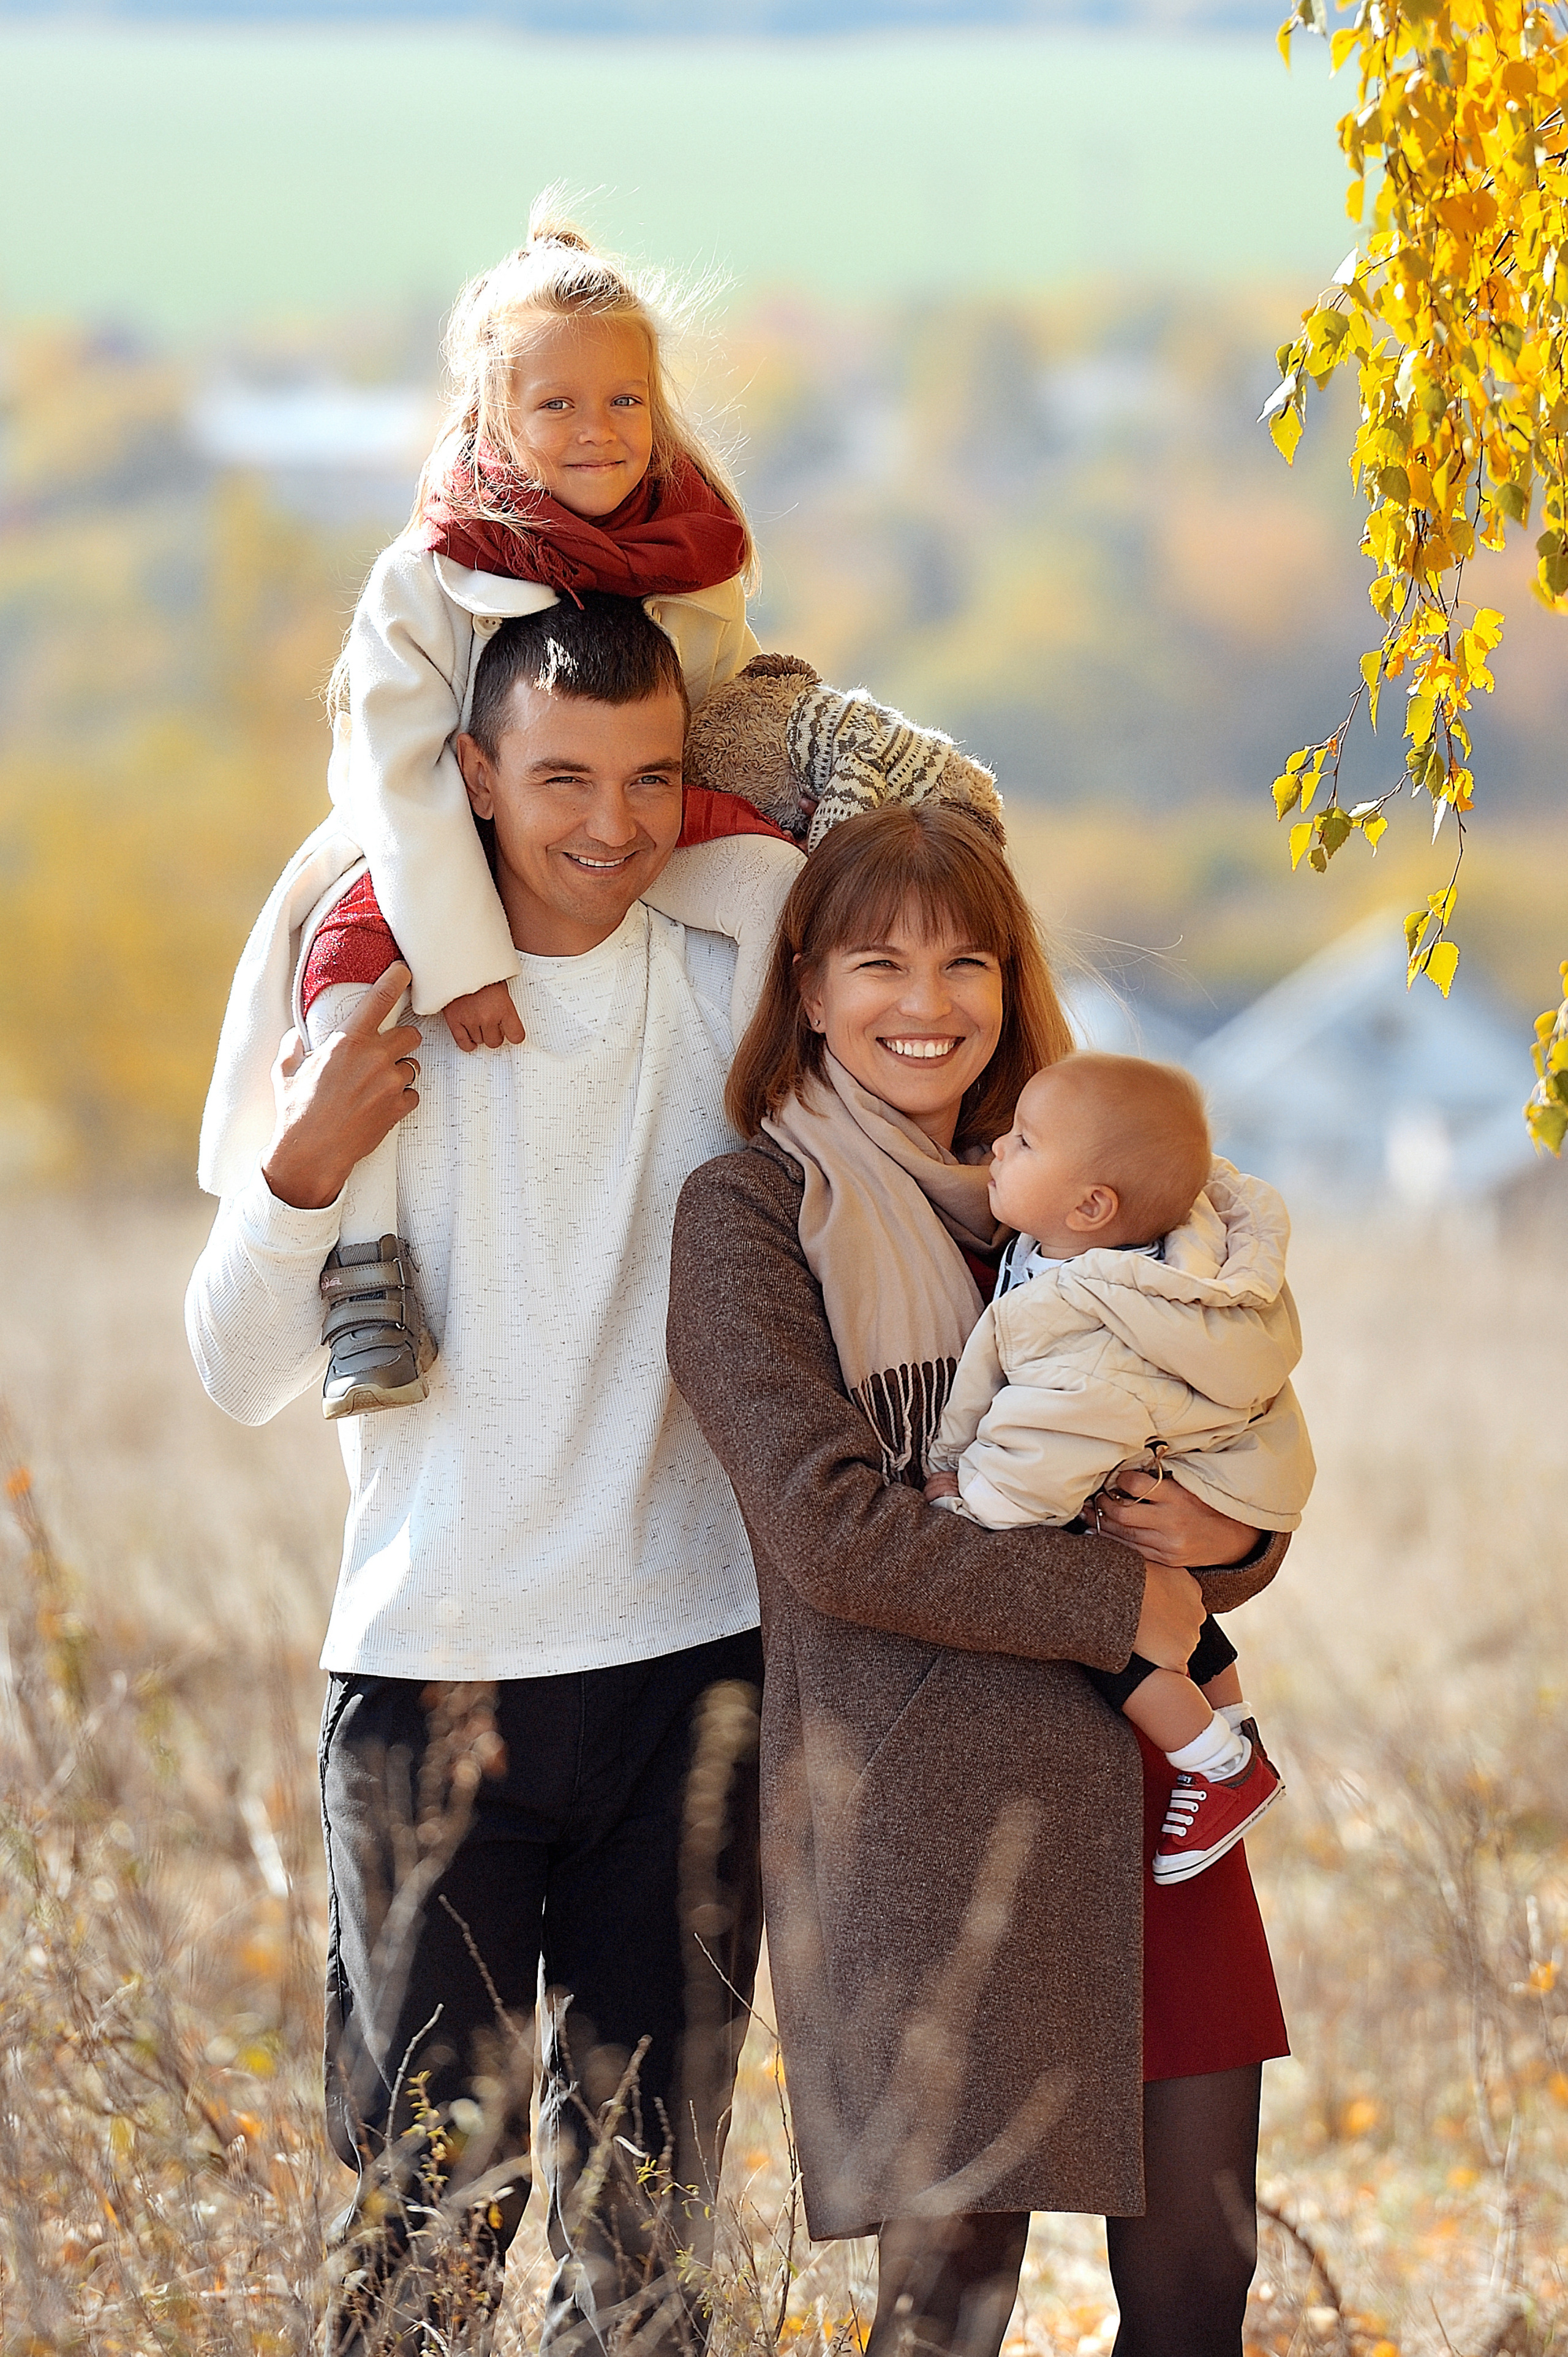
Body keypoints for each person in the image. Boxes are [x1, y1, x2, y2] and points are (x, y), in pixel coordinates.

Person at [187, 596, 794, 2356]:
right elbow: (233, 1371)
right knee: (421, 2236)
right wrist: (303, 1165)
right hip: (430, 1676)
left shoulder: (723, 988)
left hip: (693, 1675)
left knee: (648, 2245)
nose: (612, 823)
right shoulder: (371, 1001)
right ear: (468, 774)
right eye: (560, 780)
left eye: (653, 779)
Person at [666, 805, 1297, 2357]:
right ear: (805, 987)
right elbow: (830, 1534)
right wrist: (1117, 1609)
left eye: (967, 960)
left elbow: (1219, 1431)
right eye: (878, 961)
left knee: (1195, 2284)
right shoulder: (749, 1216)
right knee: (948, 2303)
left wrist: (1224, 1547)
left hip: (1153, 1810)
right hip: (927, 1808)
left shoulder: (1090, 1201)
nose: (926, 1000)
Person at [194, 194, 798, 1420]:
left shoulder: (692, 541)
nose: (596, 430)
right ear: (494, 418)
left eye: (624, 401)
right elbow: (397, 770)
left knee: (780, 884)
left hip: (624, 806)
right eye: (556, 405)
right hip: (430, 834)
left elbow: (712, 694)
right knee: (349, 977)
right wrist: (461, 956)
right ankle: (368, 1268)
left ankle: (779, 1152)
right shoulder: (431, 565)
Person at [924, 1050, 1314, 1884]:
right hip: (1170, 1470)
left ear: (1091, 1205)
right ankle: (1236, 1721)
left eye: (1023, 1143)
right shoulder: (1143, 1262)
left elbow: (1046, 1442)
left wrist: (967, 1498)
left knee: (1114, 1638)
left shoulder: (1090, 1327)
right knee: (1159, 1607)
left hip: (1115, 1481)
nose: (997, 1147)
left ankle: (1218, 1764)